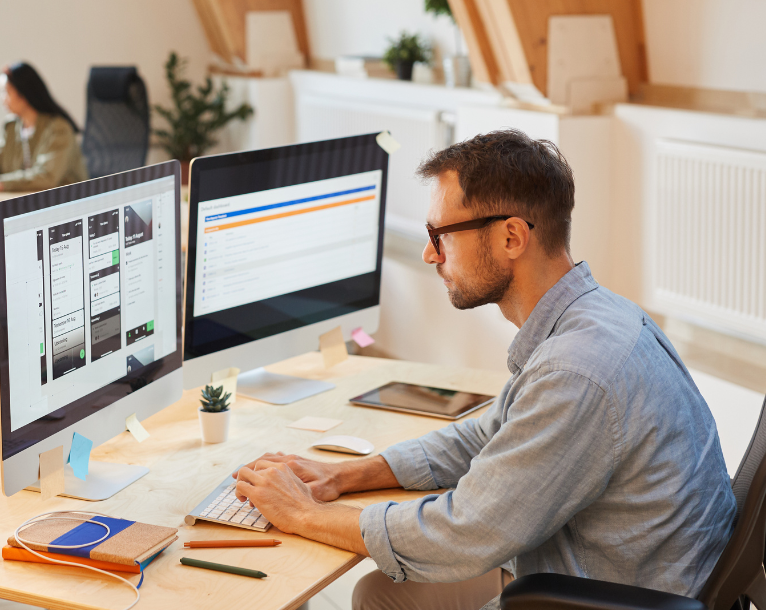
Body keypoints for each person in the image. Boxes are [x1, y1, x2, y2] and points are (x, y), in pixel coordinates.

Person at [233, 130, 736, 610]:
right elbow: (491, 435)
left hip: (611, 594)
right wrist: (347, 474)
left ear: (512, 237)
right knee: (378, 596)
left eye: (440, 235)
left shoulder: (577, 370)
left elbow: (463, 532)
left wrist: (305, 513)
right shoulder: (596, 315)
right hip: (614, 569)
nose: (430, 254)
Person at [0, 62, 87, 305]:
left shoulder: (59, 129)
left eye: (4, 92)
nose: (1, 100)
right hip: (25, 209)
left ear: (23, 93)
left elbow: (45, 177)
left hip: (60, 213)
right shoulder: (12, 128)